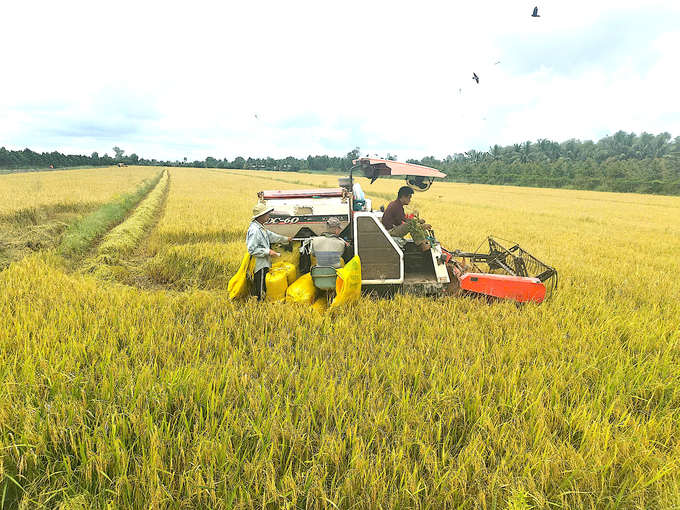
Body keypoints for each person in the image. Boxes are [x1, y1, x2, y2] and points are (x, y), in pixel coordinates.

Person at [246, 203, 293, 300]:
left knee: (264, 284)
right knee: (261, 286)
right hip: (259, 264)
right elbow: (251, 249)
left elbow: (272, 236)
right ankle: (260, 305)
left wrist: (286, 239)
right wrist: (268, 252)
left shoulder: (261, 228)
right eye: (266, 214)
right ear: (260, 216)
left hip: (264, 262)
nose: (268, 216)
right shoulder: (255, 231)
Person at [381, 186, 432, 251]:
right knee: (410, 224)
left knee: (411, 223)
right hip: (391, 231)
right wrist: (422, 226)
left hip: (391, 229)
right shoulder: (397, 207)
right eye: (409, 198)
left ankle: (423, 242)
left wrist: (418, 221)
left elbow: (405, 219)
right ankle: (422, 244)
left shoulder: (395, 204)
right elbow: (406, 222)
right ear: (403, 197)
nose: (410, 200)